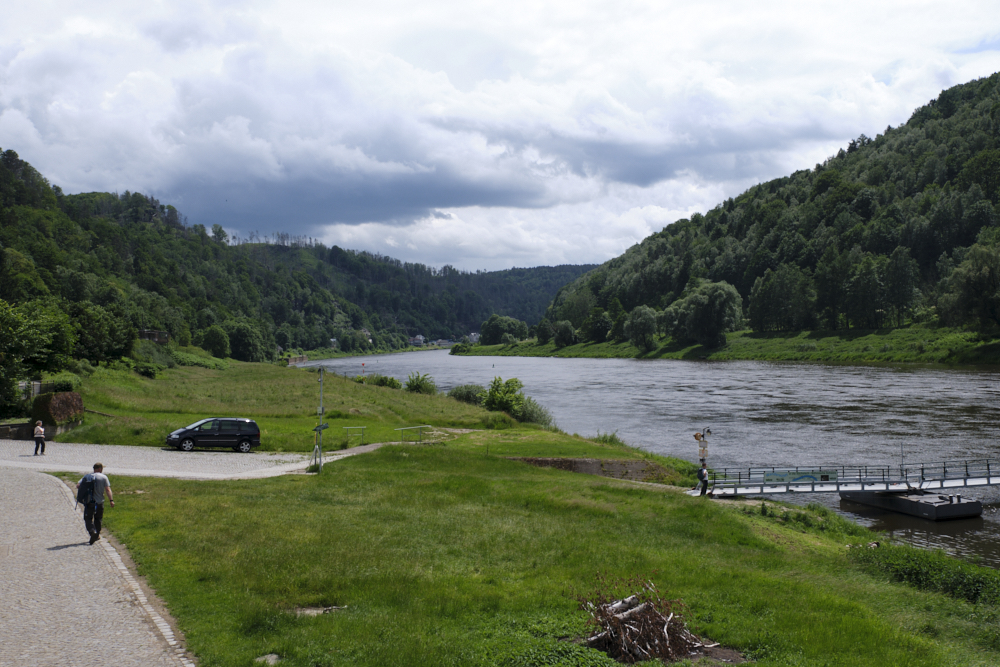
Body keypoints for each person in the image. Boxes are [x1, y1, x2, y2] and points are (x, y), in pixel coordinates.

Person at [77, 463, 114, 544]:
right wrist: (111, 500)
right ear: (100, 469)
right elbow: (108, 489)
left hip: (89, 502)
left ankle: (92, 532)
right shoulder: (103, 477)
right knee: (98, 519)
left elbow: (78, 485)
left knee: (88, 519)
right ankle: (97, 535)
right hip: (99, 502)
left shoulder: (87, 476)